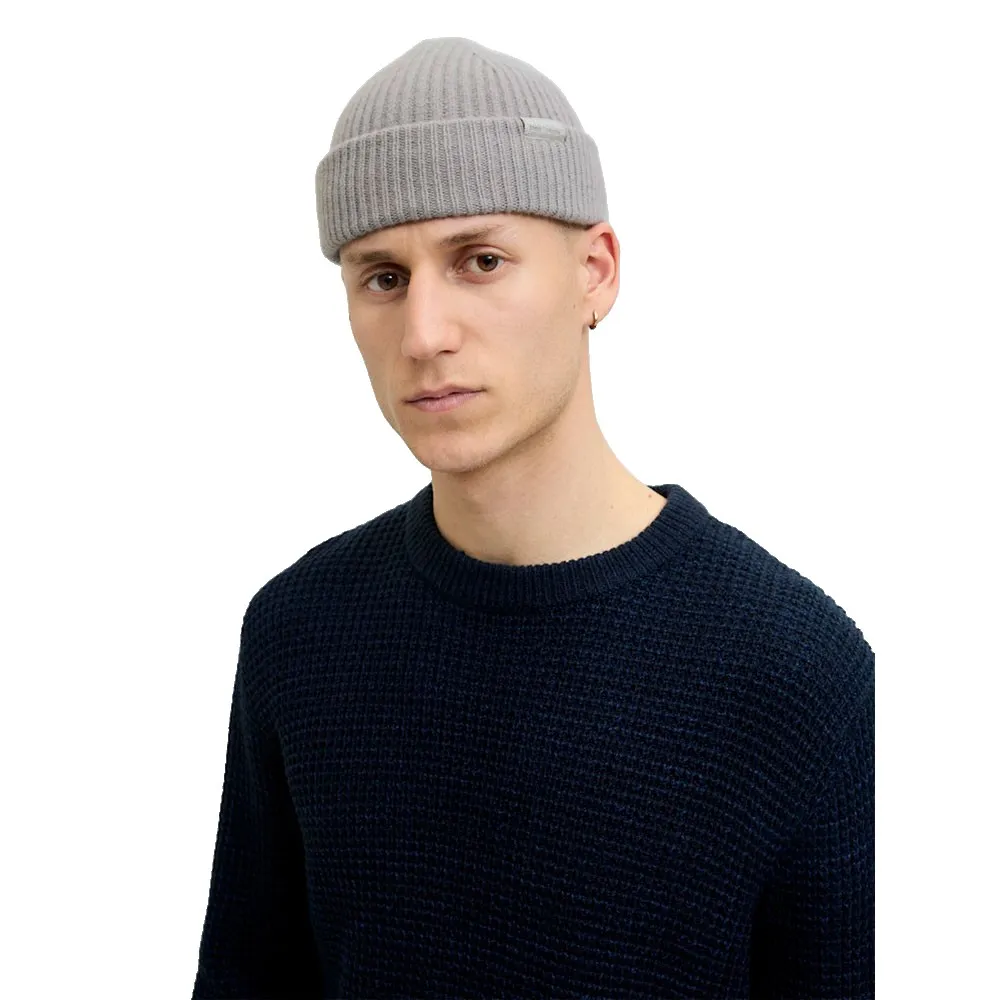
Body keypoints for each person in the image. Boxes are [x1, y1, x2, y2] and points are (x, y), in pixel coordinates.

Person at [191, 36, 874, 999]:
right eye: (382, 277)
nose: (425, 334)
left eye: (480, 260)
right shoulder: (299, 634)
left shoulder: (793, 668)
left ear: (595, 271)